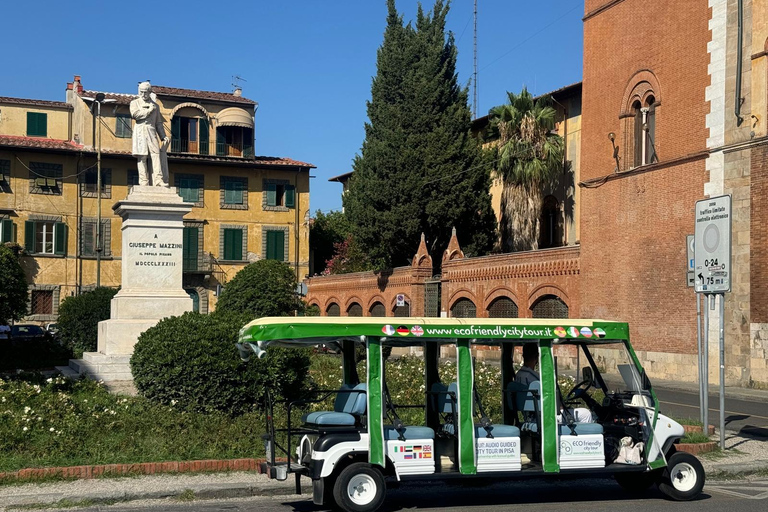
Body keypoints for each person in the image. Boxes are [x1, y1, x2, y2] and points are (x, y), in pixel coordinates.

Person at [130, 81, 170, 187]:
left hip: (151, 131)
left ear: (149, 92)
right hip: (140, 131)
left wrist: (163, 136)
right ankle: (143, 181)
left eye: (145, 92)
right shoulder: (134, 103)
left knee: (156, 155)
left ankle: (158, 180)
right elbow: (135, 115)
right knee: (142, 156)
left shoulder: (156, 106)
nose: (143, 95)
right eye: (141, 92)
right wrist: (148, 111)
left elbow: (158, 123)